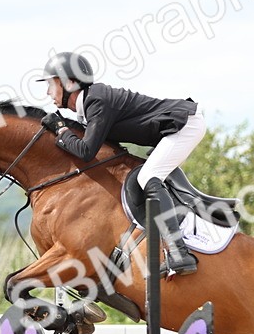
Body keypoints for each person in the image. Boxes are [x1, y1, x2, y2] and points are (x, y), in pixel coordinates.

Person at [37, 51, 204, 276]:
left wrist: (60, 129)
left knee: (148, 177)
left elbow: (86, 151)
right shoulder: (88, 106)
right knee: (148, 175)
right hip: (172, 130)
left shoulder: (97, 99)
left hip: (184, 126)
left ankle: (178, 252)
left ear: (69, 82)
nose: (48, 92)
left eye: (51, 84)